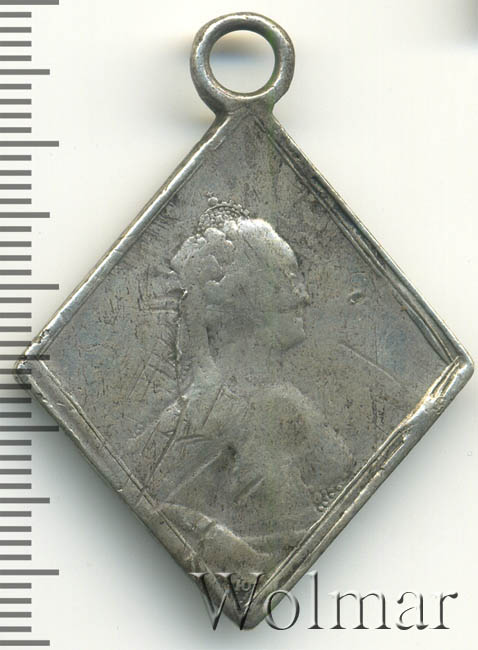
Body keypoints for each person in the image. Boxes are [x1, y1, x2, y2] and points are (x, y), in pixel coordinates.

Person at [148, 197, 353, 574]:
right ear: (245, 295)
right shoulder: (278, 410)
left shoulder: (176, 419)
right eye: (288, 278)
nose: (303, 295)